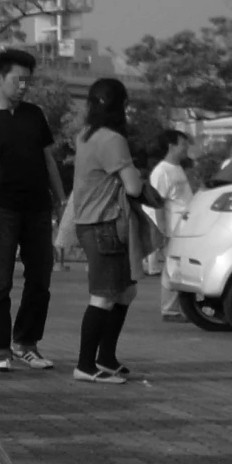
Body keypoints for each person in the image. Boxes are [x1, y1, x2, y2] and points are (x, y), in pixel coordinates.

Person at [0, 48, 64, 371]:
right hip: (0, 209)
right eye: (18, 80)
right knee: (0, 282)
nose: (23, 86)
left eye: (27, 81)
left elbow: (48, 160)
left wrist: (61, 201)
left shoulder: (34, 115)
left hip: (37, 208)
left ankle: (26, 342)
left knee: (40, 280)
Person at [68, 77, 146, 383]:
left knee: (125, 291)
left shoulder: (86, 136)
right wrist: (137, 173)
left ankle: (106, 357)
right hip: (105, 223)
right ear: (121, 106)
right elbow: (134, 186)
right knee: (103, 296)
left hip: (92, 222)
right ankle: (86, 365)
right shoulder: (112, 140)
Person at [148, 128, 195, 321]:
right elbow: (157, 203)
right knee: (172, 268)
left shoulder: (177, 168)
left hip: (184, 226)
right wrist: (162, 231)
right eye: (183, 144)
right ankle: (169, 309)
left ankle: (181, 308)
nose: (186, 148)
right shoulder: (161, 172)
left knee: (182, 267)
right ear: (172, 146)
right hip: (172, 227)